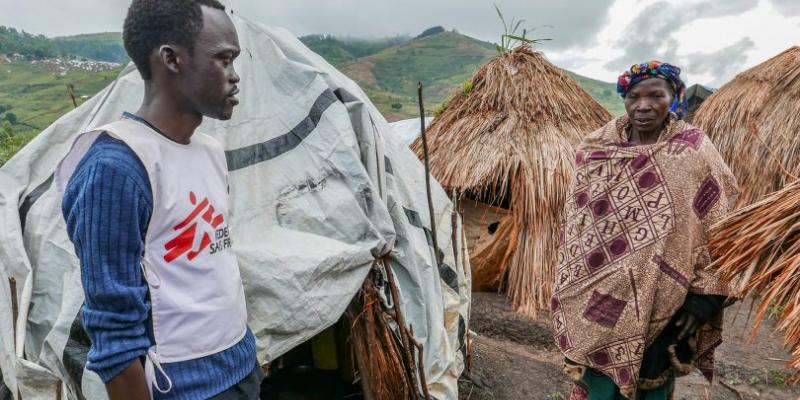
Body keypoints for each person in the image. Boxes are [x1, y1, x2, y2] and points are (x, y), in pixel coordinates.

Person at [56, 0, 260, 398]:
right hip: (181, 388)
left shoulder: (210, 152)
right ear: (171, 59)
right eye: (223, 60)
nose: (235, 77)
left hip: (239, 369)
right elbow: (114, 334)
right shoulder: (117, 167)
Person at [551, 61, 738, 400]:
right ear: (624, 98)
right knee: (594, 382)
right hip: (593, 287)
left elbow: (719, 221)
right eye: (634, 96)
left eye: (656, 95)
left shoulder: (693, 151)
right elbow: (577, 223)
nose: (643, 105)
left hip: (663, 296)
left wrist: (703, 298)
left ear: (675, 98)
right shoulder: (595, 149)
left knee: (650, 383)